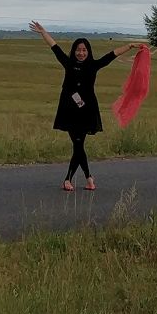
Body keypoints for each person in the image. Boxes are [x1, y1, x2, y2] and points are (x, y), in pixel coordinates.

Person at [30, 21, 143, 190]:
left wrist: (129, 45)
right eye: (78, 50)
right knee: (78, 145)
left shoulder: (93, 65)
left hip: (86, 109)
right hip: (68, 108)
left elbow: (111, 55)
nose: (81, 53)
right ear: (74, 51)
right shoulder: (68, 63)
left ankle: (68, 179)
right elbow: (55, 47)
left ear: (88, 51)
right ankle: (89, 178)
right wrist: (43, 32)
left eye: (84, 50)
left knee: (78, 143)